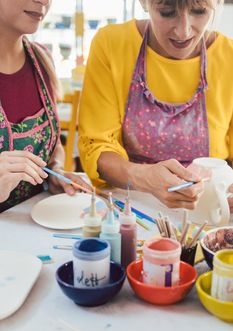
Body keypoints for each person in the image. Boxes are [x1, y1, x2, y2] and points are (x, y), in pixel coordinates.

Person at [78, 0, 233, 210]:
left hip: (209, 211)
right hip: (131, 210)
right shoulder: (111, 44)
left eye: (199, 11)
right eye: (167, 12)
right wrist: (144, 177)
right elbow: (97, 146)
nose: (183, 31)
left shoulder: (229, 57)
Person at [0, 0, 91, 212]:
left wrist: (54, 173)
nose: (44, 1)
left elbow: (53, 146)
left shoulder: (41, 60)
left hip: (33, 234)